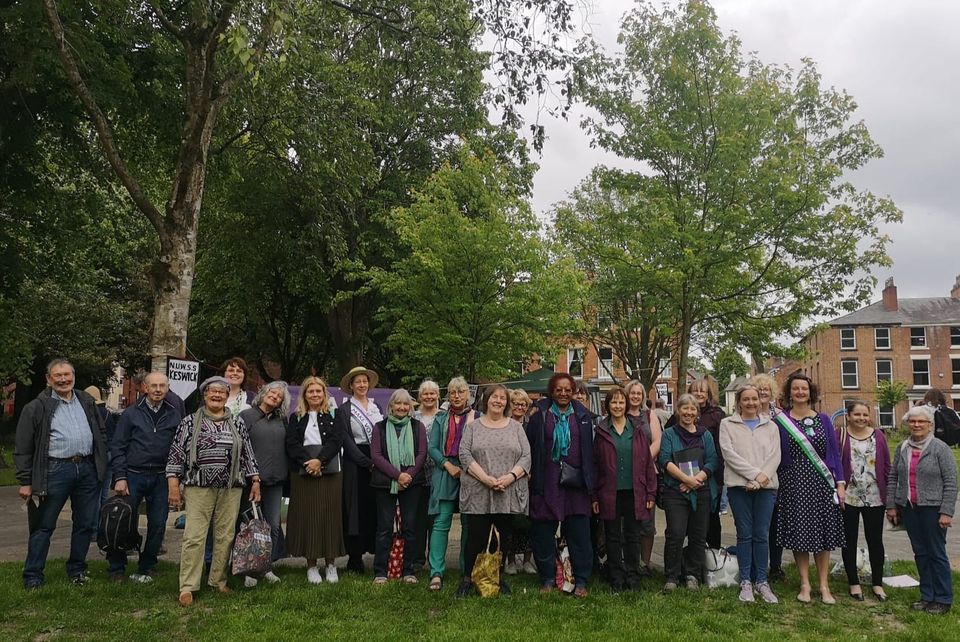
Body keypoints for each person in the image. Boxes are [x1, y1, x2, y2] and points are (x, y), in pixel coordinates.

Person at [166, 376, 261, 606]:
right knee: (194, 537)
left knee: (225, 536)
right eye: (212, 392)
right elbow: (176, 453)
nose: (217, 395)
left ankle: (218, 580)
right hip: (198, 486)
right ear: (204, 395)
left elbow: (247, 452)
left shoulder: (236, 422)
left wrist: (255, 479)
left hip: (231, 487)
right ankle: (187, 586)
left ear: (227, 395)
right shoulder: (190, 422)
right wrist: (173, 485)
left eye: (222, 392)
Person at [15, 358, 109, 589]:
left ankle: (77, 569)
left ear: (74, 376)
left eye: (67, 375)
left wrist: (101, 460)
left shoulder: (86, 401)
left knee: (85, 524)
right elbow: (23, 447)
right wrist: (25, 481)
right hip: (55, 469)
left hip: (87, 469)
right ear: (48, 379)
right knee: (44, 525)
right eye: (58, 375)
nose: (63, 379)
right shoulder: (36, 407)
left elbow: (101, 432)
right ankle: (33, 576)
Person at [771, 373, 845, 605]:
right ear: (789, 393)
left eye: (804, 388)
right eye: (796, 389)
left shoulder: (823, 419)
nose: (800, 392)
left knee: (823, 534)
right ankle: (805, 583)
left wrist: (840, 483)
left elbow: (834, 453)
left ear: (810, 392)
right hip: (793, 484)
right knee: (800, 532)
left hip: (822, 484)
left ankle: (824, 585)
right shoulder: (780, 421)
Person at [455, 385, 531, 597]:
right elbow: (464, 454)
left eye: (502, 398)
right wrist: (485, 479)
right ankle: (468, 579)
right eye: (494, 397)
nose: (498, 401)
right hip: (479, 489)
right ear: (486, 400)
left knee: (503, 537)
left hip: (506, 490)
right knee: (475, 537)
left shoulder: (516, 428)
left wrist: (509, 477)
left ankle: (498, 578)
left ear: (507, 402)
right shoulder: (473, 427)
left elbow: (526, 457)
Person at [107, 372, 183, 583]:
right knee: (123, 522)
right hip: (133, 475)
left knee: (158, 524)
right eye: (154, 386)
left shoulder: (175, 415)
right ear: (145, 388)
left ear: (167, 389)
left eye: (162, 386)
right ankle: (117, 567)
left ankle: (147, 566)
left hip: (161, 477)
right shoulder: (131, 414)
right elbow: (118, 446)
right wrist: (120, 476)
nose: (158, 390)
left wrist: (176, 479)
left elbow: (179, 449)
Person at [527, 372, 596, 598]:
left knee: (580, 534)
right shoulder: (540, 415)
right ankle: (547, 577)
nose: (564, 393)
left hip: (576, 484)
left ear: (574, 391)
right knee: (543, 532)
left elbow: (592, 453)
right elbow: (530, 447)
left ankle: (582, 580)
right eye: (559, 389)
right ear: (552, 391)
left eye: (568, 389)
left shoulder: (584, 416)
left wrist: (591, 486)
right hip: (547, 482)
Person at [887, 405, 958, 615]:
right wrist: (892, 505)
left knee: (936, 553)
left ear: (930, 425)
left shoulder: (940, 449)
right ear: (908, 424)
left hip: (933, 509)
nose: (917, 425)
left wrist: (946, 512)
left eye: (921, 422)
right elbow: (893, 477)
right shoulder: (902, 448)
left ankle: (943, 598)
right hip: (909, 508)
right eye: (913, 421)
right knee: (920, 553)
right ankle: (927, 596)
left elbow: (951, 482)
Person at [718, 384, 781, 603]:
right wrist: (755, 477)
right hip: (739, 488)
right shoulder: (727, 424)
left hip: (766, 489)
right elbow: (729, 454)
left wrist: (761, 480)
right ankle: (746, 581)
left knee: (761, 535)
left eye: (754, 399)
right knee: (744, 534)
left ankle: (762, 581)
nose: (751, 403)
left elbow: (775, 456)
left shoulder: (771, 426)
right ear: (739, 402)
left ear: (760, 401)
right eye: (746, 399)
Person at [592, 387, 657, 591]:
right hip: (609, 492)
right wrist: (594, 496)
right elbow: (595, 465)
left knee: (632, 535)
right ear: (608, 406)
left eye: (621, 402)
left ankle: (633, 575)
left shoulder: (636, 429)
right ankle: (616, 577)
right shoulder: (602, 431)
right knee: (612, 536)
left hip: (635, 490)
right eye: (614, 402)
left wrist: (650, 492)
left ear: (626, 405)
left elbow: (647, 462)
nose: (618, 406)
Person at [286, 376, 344, 585]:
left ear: (324, 394)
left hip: (330, 472)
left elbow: (337, 440)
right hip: (303, 474)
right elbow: (291, 443)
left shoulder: (334, 415)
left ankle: (330, 564)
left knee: (330, 517)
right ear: (304, 394)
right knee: (308, 518)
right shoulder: (296, 417)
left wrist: (320, 461)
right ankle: (311, 565)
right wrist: (308, 463)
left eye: (318, 391)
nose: (315, 395)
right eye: (311, 391)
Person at [659, 393, 719, 593]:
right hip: (675, 492)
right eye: (685, 408)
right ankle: (672, 576)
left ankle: (692, 573)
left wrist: (697, 480)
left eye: (692, 409)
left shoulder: (705, 435)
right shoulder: (669, 434)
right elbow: (664, 460)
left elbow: (712, 460)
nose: (688, 412)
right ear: (678, 411)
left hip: (701, 491)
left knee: (698, 535)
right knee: (675, 534)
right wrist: (686, 480)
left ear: (697, 413)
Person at [370, 389, 428, 585]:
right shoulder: (380, 427)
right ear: (391, 406)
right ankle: (380, 571)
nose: (402, 407)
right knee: (384, 528)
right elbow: (376, 456)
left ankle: (408, 570)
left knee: (410, 527)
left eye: (406, 404)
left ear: (410, 407)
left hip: (412, 484)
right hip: (385, 483)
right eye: (398, 404)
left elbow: (421, 454)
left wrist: (408, 476)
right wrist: (398, 475)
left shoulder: (417, 427)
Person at [238, 381, 291, 587]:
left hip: (275, 481)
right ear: (263, 393)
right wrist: (252, 478)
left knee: (274, 526)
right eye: (272, 392)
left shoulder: (282, 420)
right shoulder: (246, 416)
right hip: (250, 482)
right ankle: (248, 570)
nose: (275, 397)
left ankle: (267, 567)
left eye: (279, 396)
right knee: (249, 527)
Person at [426, 377, 477, 590]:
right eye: (453, 392)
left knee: (468, 523)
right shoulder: (440, 419)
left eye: (461, 392)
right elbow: (433, 448)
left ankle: (467, 570)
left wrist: (467, 468)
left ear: (468, 395)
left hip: (470, 471)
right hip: (445, 470)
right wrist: (448, 465)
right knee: (441, 522)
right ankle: (436, 572)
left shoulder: (478, 417)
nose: (457, 396)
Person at [838, 400, 890, 602]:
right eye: (857, 414)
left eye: (864, 415)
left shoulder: (878, 435)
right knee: (849, 540)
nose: (861, 418)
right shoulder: (840, 435)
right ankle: (854, 583)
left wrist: (890, 494)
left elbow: (886, 465)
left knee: (875, 539)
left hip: (875, 495)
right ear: (848, 416)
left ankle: (877, 583)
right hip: (849, 496)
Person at [334, 366, 384, 573]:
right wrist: (366, 462)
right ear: (351, 386)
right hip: (355, 464)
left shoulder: (377, 407)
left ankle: (376, 552)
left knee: (375, 507)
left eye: (365, 381)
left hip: (378, 461)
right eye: (358, 382)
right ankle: (355, 558)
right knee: (354, 510)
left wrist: (379, 461)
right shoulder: (344, 410)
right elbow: (345, 439)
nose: (362, 385)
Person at [668, 376, 727, 550]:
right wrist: (687, 479)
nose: (699, 393)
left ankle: (712, 557)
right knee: (684, 523)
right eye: (696, 390)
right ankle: (688, 558)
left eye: (703, 390)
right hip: (683, 475)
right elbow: (669, 440)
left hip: (710, 473)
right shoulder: (677, 416)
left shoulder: (717, 415)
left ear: (708, 394)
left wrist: (703, 476)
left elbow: (721, 445)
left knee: (711, 518)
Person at [623, 379, 661, 575]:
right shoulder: (620, 414)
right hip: (625, 474)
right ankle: (627, 560)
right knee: (626, 520)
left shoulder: (649, 415)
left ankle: (645, 563)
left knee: (647, 521)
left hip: (647, 475)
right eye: (632, 393)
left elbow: (657, 441)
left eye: (639, 393)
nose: (635, 396)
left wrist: (642, 461)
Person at [750, 372, 785, 582]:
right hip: (751, 474)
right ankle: (755, 563)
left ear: (772, 393)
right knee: (754, 522)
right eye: (759, 389)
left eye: (766, 389)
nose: (763, 392)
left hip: (776, 474)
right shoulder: (746, 413)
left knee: (775, 522)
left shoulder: (781, 417)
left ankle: (776, 565)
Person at [504, 388, 537, 575]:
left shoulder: (531, 425)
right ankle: (509, 561)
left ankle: (526, 560)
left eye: (523, 404)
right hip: (509, 479)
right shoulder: (505, 425)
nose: (520, 407)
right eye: (516, 403)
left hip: (529, 479)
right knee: (509, 522)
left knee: (529, 521)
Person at [411, 379, 441, 574]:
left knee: (435, 519)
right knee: (418, 518)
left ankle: (435, 558)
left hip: (438, 474)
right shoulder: (413, 417)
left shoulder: (444, 416)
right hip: (417, 474)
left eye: (432, 393)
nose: (429, 396)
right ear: (420, 396)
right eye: (425, 393)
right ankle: (417, 558)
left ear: (438, 395)